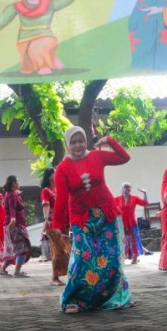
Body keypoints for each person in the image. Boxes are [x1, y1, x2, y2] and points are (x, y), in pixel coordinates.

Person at [51, 126, 133, 312]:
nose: (78, 145)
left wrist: (109, 141)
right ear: (67, 144)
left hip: (107, 215)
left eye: (81, 140)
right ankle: (73, 300)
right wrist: (58, 227)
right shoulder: (63, 168)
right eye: (73, 142)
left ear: (86, 141)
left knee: (111, 259)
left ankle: (111, 297)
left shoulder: (97, 156)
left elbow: (124, 157)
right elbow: (62, 200)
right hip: (81, 220)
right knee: (83, 261)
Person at [41, 167, 70, 286]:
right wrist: (46, 218)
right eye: (54, 174)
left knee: (65, 249)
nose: (57, 175)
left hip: (64, 222)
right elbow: (46, 205)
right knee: (58, 250)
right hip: (53, 223)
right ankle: (54, 277)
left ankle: (60, 275)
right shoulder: (46, 190)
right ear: (49, 177)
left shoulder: (60, 189)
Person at [0, 175, 32, 277]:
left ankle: (2, 269)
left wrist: (17, 195)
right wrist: (13, 219)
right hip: (15, 225)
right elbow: (12, 208)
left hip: (14, 225)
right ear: (14, 183)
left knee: (15, 250)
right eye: (17, 181)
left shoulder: (11, 194)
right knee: (22, 248)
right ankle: (17, 272)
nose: (19, 182)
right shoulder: (12, 195)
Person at [114, 182, 149, 264]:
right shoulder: (117, 199)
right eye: (126, 187)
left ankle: (135, 258)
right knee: (123, 240)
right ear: (122, 188)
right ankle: (124, 257)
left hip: (132, 222)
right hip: (122, 223)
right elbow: (110, 205)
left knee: (134, 240)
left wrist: (145, 193)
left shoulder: (134, 198)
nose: (128, 189)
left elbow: (145, 203)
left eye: (129, 187)